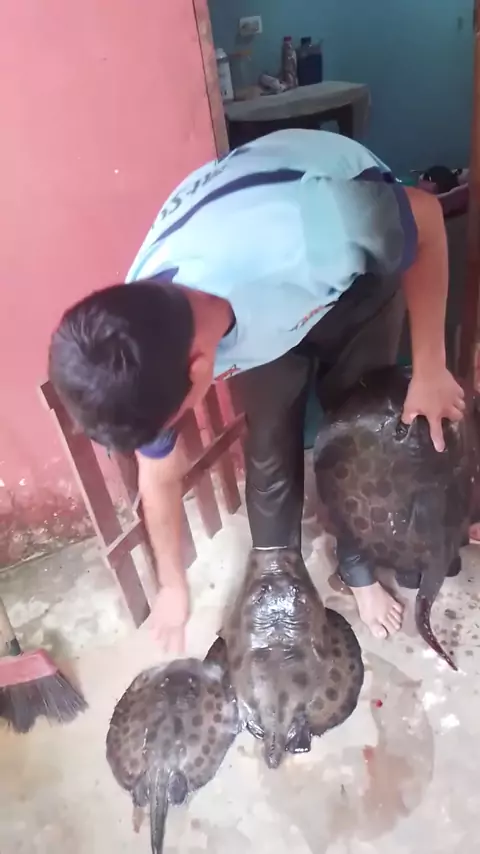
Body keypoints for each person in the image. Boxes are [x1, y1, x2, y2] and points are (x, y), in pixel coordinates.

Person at [48, 129, 465, 651]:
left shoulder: (314, 227)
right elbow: (158, 472)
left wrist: (429, 367)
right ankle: (278, 583)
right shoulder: (138, 339)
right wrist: (172, 585)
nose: (164, 435)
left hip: (354, 275)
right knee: (269, 446)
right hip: (258, 308)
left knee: (360, 427)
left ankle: (357, 568)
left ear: (202, 367)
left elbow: (426, 219)